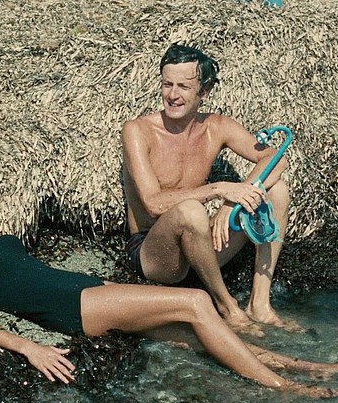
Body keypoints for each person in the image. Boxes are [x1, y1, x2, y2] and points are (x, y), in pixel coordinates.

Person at [0, 168, 338, 398]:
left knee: (194, 334)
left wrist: (106, 284)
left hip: (87, 289)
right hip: (73, 308)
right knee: (194, 301)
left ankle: (308, 367)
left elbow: (33, 275)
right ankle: (284, 387)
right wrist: (29, 348)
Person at [122, 43, 298, 336]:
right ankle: (227, 307)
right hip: (155, 253)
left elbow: (276, 159)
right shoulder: (137, 131)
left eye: (183, 86)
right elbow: (153, 204)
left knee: (277, 191)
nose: (173, 95)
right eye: (167, 84)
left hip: (198, 248)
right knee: (191, 211)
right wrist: (219, 190)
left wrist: (233, 202)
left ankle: (260, 304)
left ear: (204, 92)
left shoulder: (216, 127)